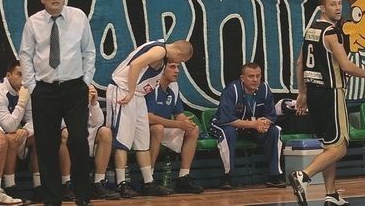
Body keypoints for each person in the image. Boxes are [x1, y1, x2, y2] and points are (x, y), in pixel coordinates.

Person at [290, 0, 365, 206]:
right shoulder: (331, 32)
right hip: (331, 92)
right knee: (340, 147)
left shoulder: (311, 30)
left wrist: (302, 92)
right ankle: (303, 175)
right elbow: (346, 66)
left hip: (314, 93)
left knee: (329, 147)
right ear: (322, 8)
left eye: (339, 3)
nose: (338, 8)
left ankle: (331, 194)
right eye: (333, 4)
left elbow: (300, 62)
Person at [19, 0, 96, 206]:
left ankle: (83, 196)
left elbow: (89, 51)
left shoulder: (78, 17)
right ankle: (52, 199)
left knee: (79, 139)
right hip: (44, 90)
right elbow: (25, 55)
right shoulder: (33, 22)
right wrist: (32, 86)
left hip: (74, 88)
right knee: (46, 145)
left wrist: (85, 82)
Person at [105, 39, 194, 198]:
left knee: (142, 141)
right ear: (179, 53)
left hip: (138, 95)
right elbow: (135, 65)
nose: (178, 64)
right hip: (124, 90)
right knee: (122, 141)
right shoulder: (160, 51)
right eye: (181, 60)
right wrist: (130, 92)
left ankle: (148, 182)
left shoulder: (162, 52)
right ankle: (121, 184)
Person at [209, 63, 286, 189]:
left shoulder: (264, 89)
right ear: (242, 78)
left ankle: (275, 175)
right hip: (224, 125)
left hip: (252, 127)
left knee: (275, 130)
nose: (255, 80)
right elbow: (227, 119)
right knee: (228, 132)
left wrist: (263, 124)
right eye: (251, 76)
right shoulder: (232, 89)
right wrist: (254, 124)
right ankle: (227, 176)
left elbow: (271, 115)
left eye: (258, 76)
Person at [145, 63, 204, 194]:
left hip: (163, 128)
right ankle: (148, 179)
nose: (177, 71)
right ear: (162, 69)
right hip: (144, 130)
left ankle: (183, 178)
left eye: (178, 67)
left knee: (193, 129)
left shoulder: (173, 87)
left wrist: (186, 122)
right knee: (157, 128)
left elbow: (179, 114)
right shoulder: (151, 86)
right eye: (172, 67)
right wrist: (178, 124)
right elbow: (149, 118)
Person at [59, 85, 120, 200]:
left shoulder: (87, 89)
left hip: (88, 137)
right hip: (70, 137)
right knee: (66, 133)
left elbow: (98, 122)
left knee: (106, 132)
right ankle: (66, 184)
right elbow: (62, 123)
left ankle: (98, 182)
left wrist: (93, 103)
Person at [0, 60, 36, 204]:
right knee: (3, 140)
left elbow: (34, 119)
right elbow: (8, 126)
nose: (23, 79)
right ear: (8, 75)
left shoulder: (25, 90)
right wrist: (22, 102)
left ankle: (37, 187)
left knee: (39, 136)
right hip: (0, 130)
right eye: (19, 74)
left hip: (8, 131)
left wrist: (26, 130)